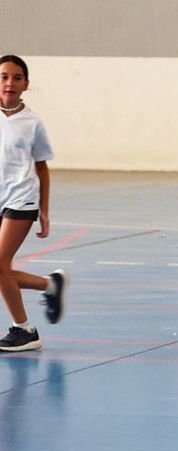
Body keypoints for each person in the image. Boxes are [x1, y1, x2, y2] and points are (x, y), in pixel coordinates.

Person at [0, 55, 66, 353]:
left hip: (21, 199)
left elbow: (42, 167)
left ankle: (24, 329)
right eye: (3, 76)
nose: (9, 83)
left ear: (26, 84)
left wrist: (44, 209)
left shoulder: (32, 123)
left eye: (16, 78)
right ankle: (49, 286)